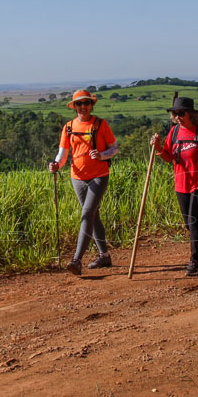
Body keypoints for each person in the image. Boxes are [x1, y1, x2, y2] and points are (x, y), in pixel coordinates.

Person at [150, 96, 198, 276]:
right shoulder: (175, 133)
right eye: (175, 113)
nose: (177, 117)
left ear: (191, 114)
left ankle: (194, 261)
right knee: (189, 223)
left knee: (194, 220)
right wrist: (158, 148)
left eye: (181, 113)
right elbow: (169, 158)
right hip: (182, 184)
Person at [49, 90, 119, 275]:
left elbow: (114, 148)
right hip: (77, 177)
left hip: (99, 175)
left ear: (91, 105)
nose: (83, 107)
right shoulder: (69, 127)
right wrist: (56, 165)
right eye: (79, 104)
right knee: (92, 216)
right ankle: (104, 255)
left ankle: (76, 260)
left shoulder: (100, 124)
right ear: (75, 107)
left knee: (87, 213)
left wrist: (102, 155)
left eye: (86, 103)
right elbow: (63, 153)